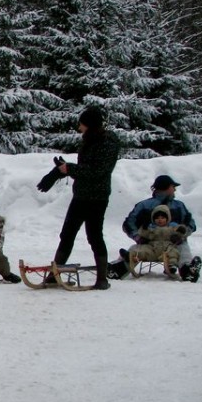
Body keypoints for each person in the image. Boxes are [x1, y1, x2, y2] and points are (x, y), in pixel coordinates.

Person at [36, 106, 120, 290]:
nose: (79, 128)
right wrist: (61, 170)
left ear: (89, 125)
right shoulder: (89, 140)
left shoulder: (108, 142)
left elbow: (98, 171)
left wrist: (70, 169)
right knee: (67, 234)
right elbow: (86, 169)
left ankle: (102, 278)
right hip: (81, 195)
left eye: (81, 124)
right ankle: (54, 274)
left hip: (97, 197)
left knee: (94, 236)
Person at [108, 175, 202, 282]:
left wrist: (181, 235)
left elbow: (190, 224)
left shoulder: (177, 205)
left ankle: (188, 270)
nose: (175, 189)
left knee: (182, 247)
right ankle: (117, 269)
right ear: (165, 187)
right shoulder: (146, 206)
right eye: (173, 186)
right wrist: (139, 237)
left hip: (173, 244)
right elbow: (129, 224)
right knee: (135, 250)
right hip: (150, 244)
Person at [128, 205, 189, 275]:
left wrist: (181, 230)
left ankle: (172, 266)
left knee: (173, 252)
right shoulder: (151, 228)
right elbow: (144, 234)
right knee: (143, 250)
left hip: (167, 249)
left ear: (167, 218)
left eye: (162, 218)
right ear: (153, 219)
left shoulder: (172, 227)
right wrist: (144, 228)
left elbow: (180, 232)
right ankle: (131, 256)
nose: (160, 220)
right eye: (157, 218)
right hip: (153, 249)